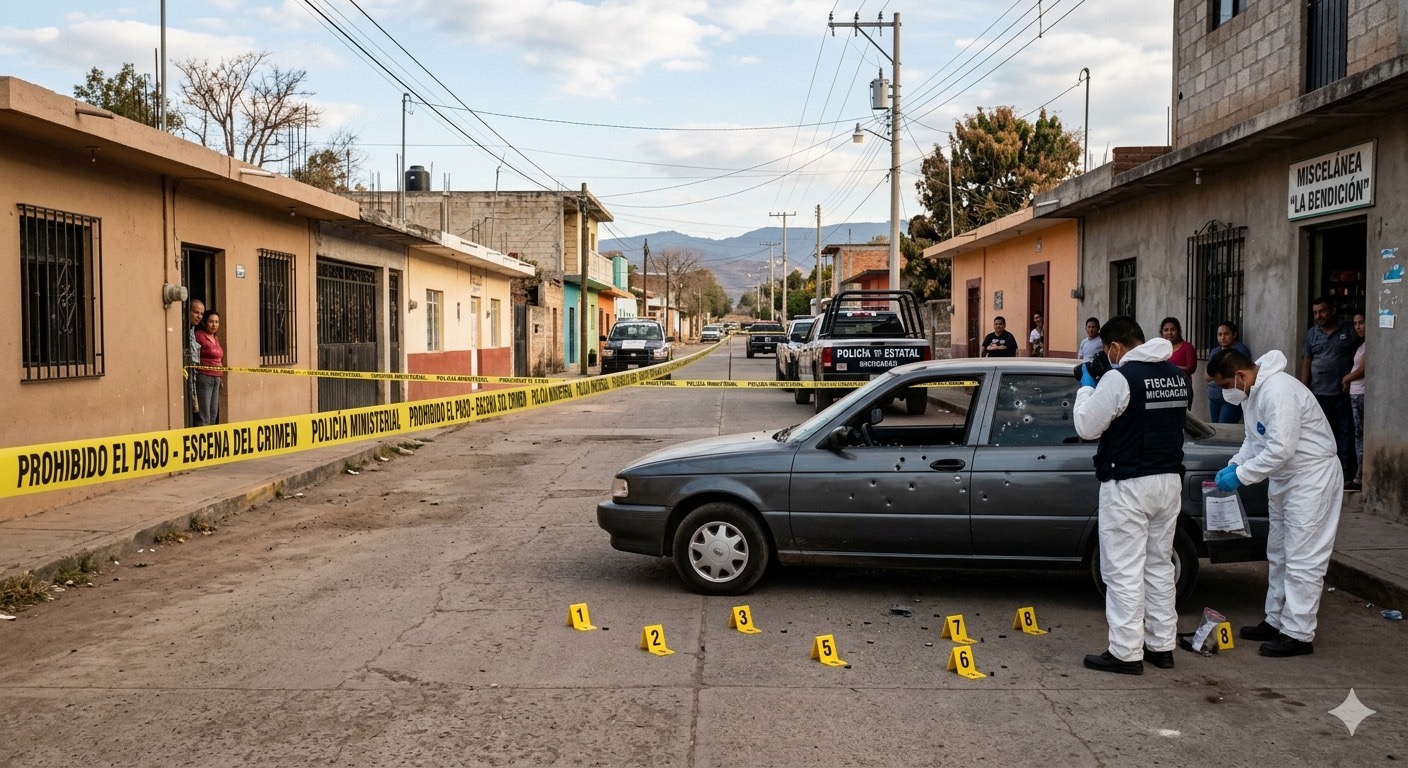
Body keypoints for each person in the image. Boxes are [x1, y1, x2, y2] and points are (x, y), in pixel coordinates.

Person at [1074, 316, 1192, 675]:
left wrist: (1087, 387)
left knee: (1123, 570)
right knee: (1158, 565)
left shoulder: (1119, 377)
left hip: (1128, 483)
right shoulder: (1177, 376)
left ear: (1114, 348)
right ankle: (1161, 646)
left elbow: (1086, 427)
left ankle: (1126, 653)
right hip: (1168, 482)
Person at [1209, 348, 1342, 657]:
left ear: (1240, 375)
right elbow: (1254, 441)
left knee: (1303, 556)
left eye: (1226, 385)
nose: (1227, 392)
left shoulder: (1278, 390)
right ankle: (1276, 620)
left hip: (1311, 477)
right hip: (1285, 479)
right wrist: (1234, 464)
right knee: (1279, 552)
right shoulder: (1253, 393)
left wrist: (1241, 475)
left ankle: (1298, 633)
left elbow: (1281, 448)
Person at [1301, 296, 1359, 484]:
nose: (1319, 316)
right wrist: (1304, 387)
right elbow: (1307, 361)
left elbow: (1362, 354)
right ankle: (1324, 474)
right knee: (1323, 435)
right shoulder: (1312, 334)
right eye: (1316, 313)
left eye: (1323, 311)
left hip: (1342, 393)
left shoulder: (1349, 330)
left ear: (1333, 310)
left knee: (1345, 433)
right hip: (1318, 394)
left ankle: (1345, 474)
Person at [1205, 321, 1252, 423]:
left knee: (1225, 428)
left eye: (1226, 334)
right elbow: (1207, 376)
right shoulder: (1215, 351)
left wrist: (1217, 373)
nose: (1222, 337)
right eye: (1219, 334)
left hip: (1231, 399)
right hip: (1214, 397)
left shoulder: (1240, 350)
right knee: (1216, 431)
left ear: (1234, 334)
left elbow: (1234, 374)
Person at [1342, 313, 1366, 492]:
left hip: (1361, 393)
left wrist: (1346, 379)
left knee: (1360, 434)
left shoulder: (1369, 345)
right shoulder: (1361, 345)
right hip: (1355, 393)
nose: (1358, 327)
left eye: (1361, 323)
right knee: (1357, 433)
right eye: (1355, 323)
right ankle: (1358, 473)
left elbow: (1363, 369)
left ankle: (1360, 476)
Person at [193, 309, 224, 426]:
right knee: (203, 415)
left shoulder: (215, 338)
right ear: (205, 322)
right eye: (211, 321)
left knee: (213, 414)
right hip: (204, 377)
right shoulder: (199, 336)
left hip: (216, 378)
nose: (214, 325)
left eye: (216, 322)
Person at [186, 298, 205, 425]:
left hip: (193, 373)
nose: (199, 316)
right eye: (196, 312)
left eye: (201, 314)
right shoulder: (183, 328)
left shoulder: (193, 329)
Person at [1160, 317, 1198, 381]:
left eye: (1172, 330)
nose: (1169, 333)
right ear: (1162, 332)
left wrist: (1172, 368)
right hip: (1163, 387)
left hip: (1182, 387)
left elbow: (1191, 368)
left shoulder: (1187, 347)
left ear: (1179, 332)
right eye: (1166, 330)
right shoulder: (1159, 348)